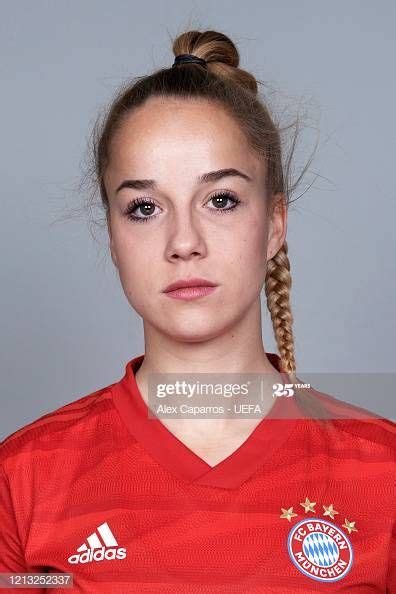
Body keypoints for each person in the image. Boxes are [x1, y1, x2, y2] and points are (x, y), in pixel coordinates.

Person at [0, 29, 394, 593]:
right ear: (112, 236)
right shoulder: (23, 478)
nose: (184, 241)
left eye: (221, 200)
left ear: (274, 224)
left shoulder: (385, 470)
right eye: (143, 207)